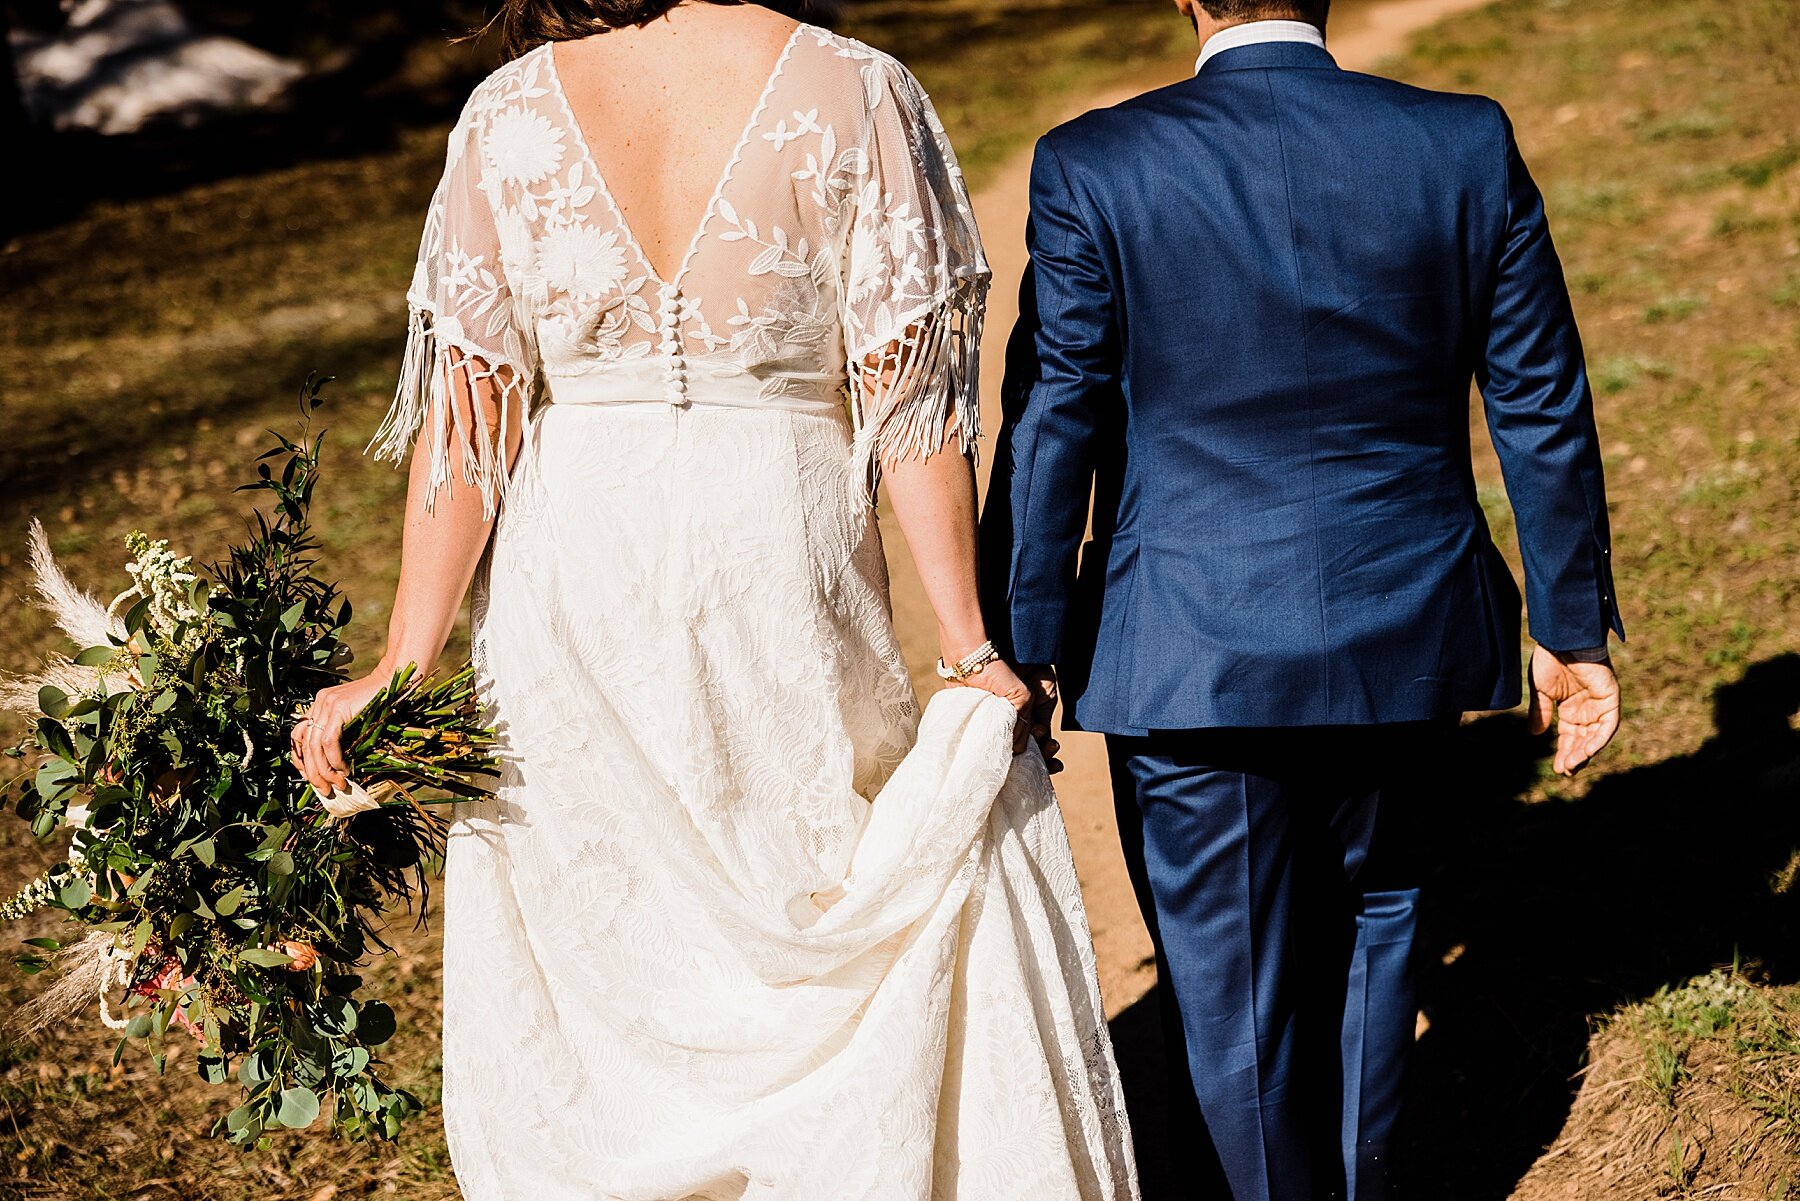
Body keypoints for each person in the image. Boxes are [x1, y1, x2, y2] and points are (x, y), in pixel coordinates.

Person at [289, 2, 1138, 1197]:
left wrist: (409, 653)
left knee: (602, 931)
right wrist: (966, 644)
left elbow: (468, 420)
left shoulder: (508, 112)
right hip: (775, 558)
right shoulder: (856, 89)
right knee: (797, 883)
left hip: (577, 563)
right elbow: (910, 409)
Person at [981, 1, 1625, 1198]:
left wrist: (1017, 645)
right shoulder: (1462, 142)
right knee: (1382, 951)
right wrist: (1569, 624)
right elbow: (1541, 396)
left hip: (1189, 650)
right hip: (1410, 635)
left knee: (1233, 1007)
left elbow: (1052, 420)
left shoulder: (1097, 160)